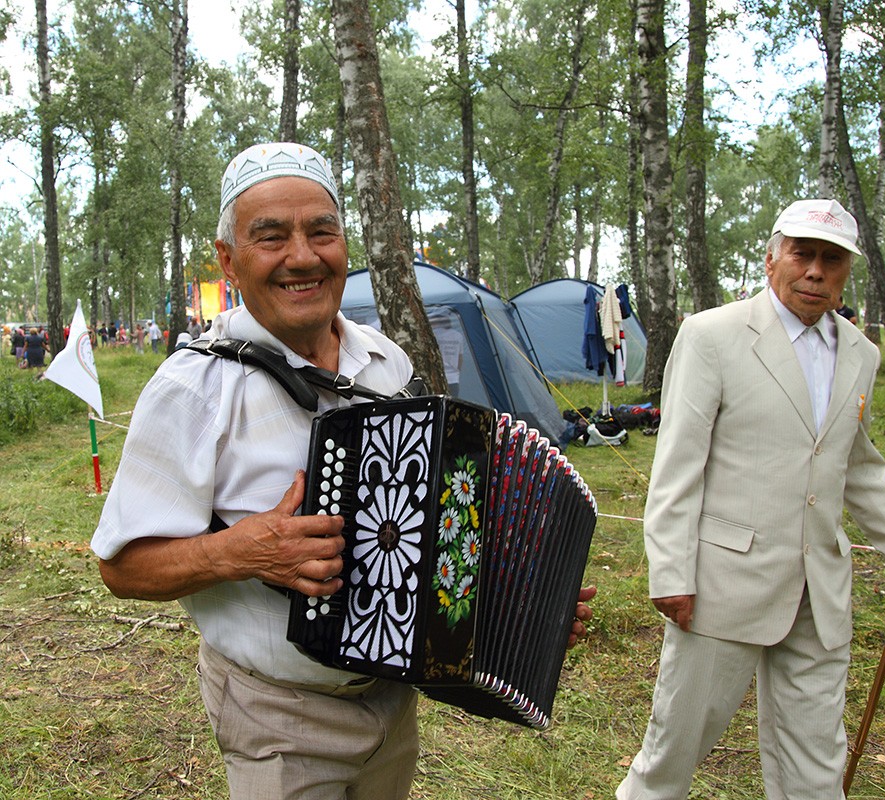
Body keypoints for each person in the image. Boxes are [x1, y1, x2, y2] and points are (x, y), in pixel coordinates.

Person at [91, 142, 594, 800]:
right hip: (277, 714)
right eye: (270, 236)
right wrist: (240, 552)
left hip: (391, 701)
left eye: (320, 231)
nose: (302, 256)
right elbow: (119, 567)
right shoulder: (193, 387)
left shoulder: (385, 362)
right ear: (228, 260)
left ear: (343, 244)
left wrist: (524, 596)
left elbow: (428, 519)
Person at [617, 198, 885, 800]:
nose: (815, 270)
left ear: (846, 273)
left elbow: (856, 464)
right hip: (720, 583)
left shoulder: (862, 354)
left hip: (820, 587)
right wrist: (671, 572)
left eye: (832, 259)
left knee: (815, 758)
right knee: (675, 749)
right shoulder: (711, 334)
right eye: (803, 254)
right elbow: (678, 465)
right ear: (772, 260)